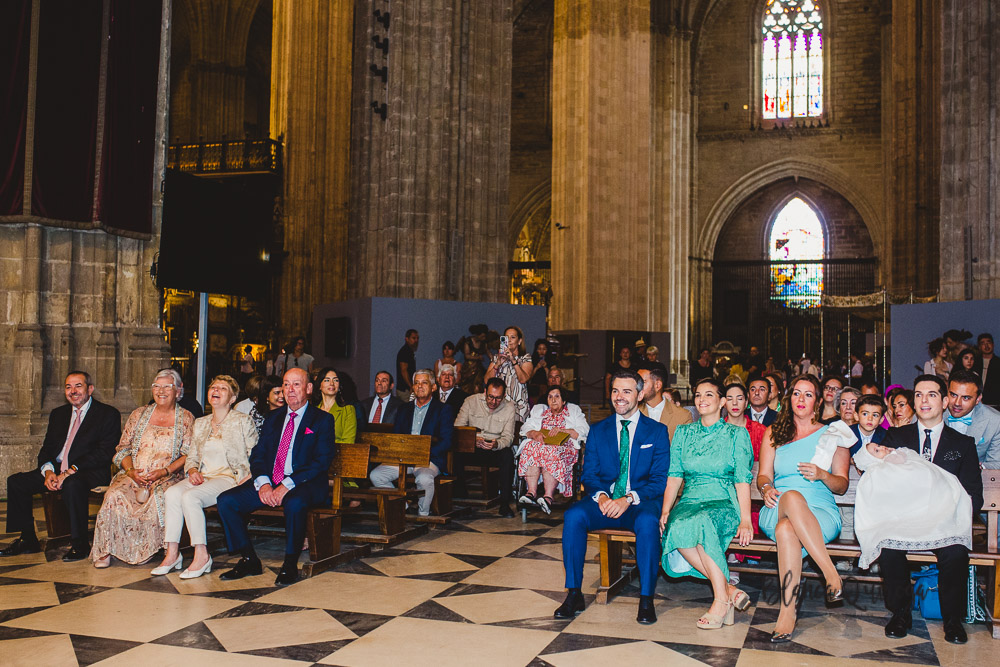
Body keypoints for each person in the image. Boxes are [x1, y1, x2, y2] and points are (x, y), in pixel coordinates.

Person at [555, 369, 670, 625]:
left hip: (638, 504)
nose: (620, 397)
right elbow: (589, 474)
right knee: (573, 515)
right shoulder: (598, 430)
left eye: (627, 391)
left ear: (639, 395)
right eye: (615, 391)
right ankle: (573, 593)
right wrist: (603, 497)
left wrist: (628, 498)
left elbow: (659, 480)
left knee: (648, 524)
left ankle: (646, 598)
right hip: (604, 503)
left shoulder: (657, 432)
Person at [879, 375, 983, 644]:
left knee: (956, 552)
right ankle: (901, 613)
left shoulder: (962, 444)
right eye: (919, 394)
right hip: (904, 518)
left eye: (932, 394)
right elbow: (884, 484)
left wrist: (948, 513)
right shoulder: (896, 436)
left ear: (946, 401)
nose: (924, 400)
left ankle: (952, 619)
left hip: (944, 520)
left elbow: (974, 494)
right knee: (889, 547)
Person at [216, 368, 336, 585]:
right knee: (227, 501)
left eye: (296, 384)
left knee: (295, 502)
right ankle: (249, 559)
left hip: (305, 483)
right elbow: (259, 454)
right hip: (271, 480)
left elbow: (321, 462)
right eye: (286, 384)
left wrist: (286, 485)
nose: (289, 390)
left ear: (309, 388)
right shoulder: (273, 417)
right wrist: (263, 483)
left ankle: (290, 563)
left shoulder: (322, 420)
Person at [757, 374, 848, 642]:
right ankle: (831, 574)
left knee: (787, 529)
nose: (801, 399)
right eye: (796, 393)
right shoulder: (774, 432)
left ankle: (787, 612)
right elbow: (763, 475)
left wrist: (822, 474)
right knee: (791, 498)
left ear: (818, 402)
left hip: (820, 510)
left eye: (808, 395)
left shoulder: (834, 434)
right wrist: (765, 489)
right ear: (789, 398)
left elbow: (841, 485)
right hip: (778, 504)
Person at [659, 378, 754, 629]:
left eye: (709, 395)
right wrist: (666, 510)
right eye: (698, 395)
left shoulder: (737, 434)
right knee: (676, 527)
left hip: (723, 500)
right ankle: (729, 590)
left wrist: (745, 519)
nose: (701, 400)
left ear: (722, 402)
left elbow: (743, 479)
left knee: (701, 523)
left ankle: (720, 601)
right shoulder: (684, 432)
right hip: (690, 499)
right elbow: (675, 474)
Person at [2, 372, 121, 560]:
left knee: (72, 484)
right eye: (68, 387)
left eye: (78, 386)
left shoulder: (107, 414)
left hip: (90, 471)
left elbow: (105, 453)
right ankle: (27, 540)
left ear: (90, 389)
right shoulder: (58, 414)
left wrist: (69, 472)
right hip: (57, 468)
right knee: (16, 482)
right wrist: (48, 471)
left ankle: (80, 545)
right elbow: (47, 448)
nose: (73, 391)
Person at [154, 375, 257, 579]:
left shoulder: (243, 421)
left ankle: (202, 555)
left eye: (223, 388)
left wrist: (251, 476)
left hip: (230, 478)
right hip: (204, 477)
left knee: (190, 497)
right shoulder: (200, 423)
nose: (215, 390)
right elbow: (191, 456)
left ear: (232, 398)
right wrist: (192, 471)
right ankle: (172, 553)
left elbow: (255, 453)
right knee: (172, 493)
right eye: (213, 387)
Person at [91, 369, 195, 567]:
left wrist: (164, 471)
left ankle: (144, 548)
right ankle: (106, 548)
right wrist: (131, 472)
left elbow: (187, 454)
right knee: (114, 495)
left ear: (177, 391)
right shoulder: (139, 414)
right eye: (157, 386)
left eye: (167, 386)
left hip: (167, 475)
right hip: (134, 474)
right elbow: (122, 449)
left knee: (158, 498)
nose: (161, 391)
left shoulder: (186, 418)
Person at [853, 441, 972, 570]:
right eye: (876, 451)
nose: (882, 447)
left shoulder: (904, 453)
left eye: (878, 446)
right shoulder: (877, 472)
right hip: (898, 521)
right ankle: (899, 591)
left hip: (934, 515)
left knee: (955, 552)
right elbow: (881, 500)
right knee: (888, 551)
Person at [370, 369, 454, 516]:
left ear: (433, 387)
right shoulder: (404, 409)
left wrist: (423, 455)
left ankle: (423, 514)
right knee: (376, 475)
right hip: (403, 458)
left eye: (424, 383)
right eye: (416, 383)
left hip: (429, 458)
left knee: (424, 478)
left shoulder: (443, 409)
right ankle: (403, 507)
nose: (420, 386)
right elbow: (397, 436)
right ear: (413, 387)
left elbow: (446, 441)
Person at [518, 386, 590, 513]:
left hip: (564, 446)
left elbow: (584, 430)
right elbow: (526, 427)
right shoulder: (540, 411)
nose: (553, 400)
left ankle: (548, 496)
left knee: (551, 451)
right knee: (530, 448)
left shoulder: (573, 411)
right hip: (541, 445)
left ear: (563, 401)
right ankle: (531, 493)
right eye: (550, 397)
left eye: (557, 396)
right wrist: (534, 433)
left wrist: (562, 431)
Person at [455, 378, 518, 516]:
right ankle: (458, 495)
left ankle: (504, 504)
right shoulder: (471, 401)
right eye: (491, 397)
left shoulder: (509, 407)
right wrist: (472, 440)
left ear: (504, 396)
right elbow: (458, 428)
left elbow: (508, 437)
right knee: (453, 451)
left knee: (508, 455)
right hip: (471, 446)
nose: (493, 402)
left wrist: (496, 444)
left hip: (494, 447)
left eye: (498, 398)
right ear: (485, 392)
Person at [946, 369, 1000, 468]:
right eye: (953, 395)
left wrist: (977, 469)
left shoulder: (995, 421)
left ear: (978, 399)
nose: (957, 403)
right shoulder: (931, 412)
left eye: (965, 398)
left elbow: (996, 463)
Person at [485, 325, 534, 421]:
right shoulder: (496, 358)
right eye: (507, 337)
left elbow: (523, 379)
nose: (509, 340)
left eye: (513, 337)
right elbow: (487, 381)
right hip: (499, 405)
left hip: (518, 407)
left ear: (519, 341)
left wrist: (513, 360)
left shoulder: (525, 358)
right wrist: (498, 364)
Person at [638, 368, 693, 440]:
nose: (637, 386)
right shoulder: (634, 412)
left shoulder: (682, 416)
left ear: (657, 385)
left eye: (642, 382)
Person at [313, 368, 358, 445]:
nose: (331, 383)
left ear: (339, 386)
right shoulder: (313, 412)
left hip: (338, 455)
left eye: (335, 380)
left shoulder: (348, 410)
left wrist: (320, 444)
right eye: (327, 380)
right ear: (320, 386)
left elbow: (348, 442)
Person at [724, 383, 765, 460]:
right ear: (724, 403)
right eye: (729, 399)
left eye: (739, 399)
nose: (735, 403)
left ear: (746, 403)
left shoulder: (760, 431)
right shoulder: (717, 431)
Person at [459, 324, 489, 394]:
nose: (484, 338)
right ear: (478, 335)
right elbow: (467, 356)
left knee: (478, 385)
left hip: (478, 369)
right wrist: (478, 357)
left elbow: (488, 352)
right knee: (467, 387)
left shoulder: (483, 343)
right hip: (469, 368)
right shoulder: (468, 342)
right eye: (482, 336)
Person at [396, 329, 419, 402]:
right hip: (405, 390)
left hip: (406, 388)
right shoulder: (405, 351)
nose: (416, 340)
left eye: (417, 338)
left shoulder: (409, 351)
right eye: (413, 338)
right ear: (407, 339)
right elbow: (404, 371)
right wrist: (411, 386)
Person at [975, 332, 998, 406]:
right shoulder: (974, 362)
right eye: (982, 343)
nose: (986, 345)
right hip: (976, 402)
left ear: (993, 345)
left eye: (988, 342)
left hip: (994, 403)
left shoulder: (998, 362)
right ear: (979, 347)